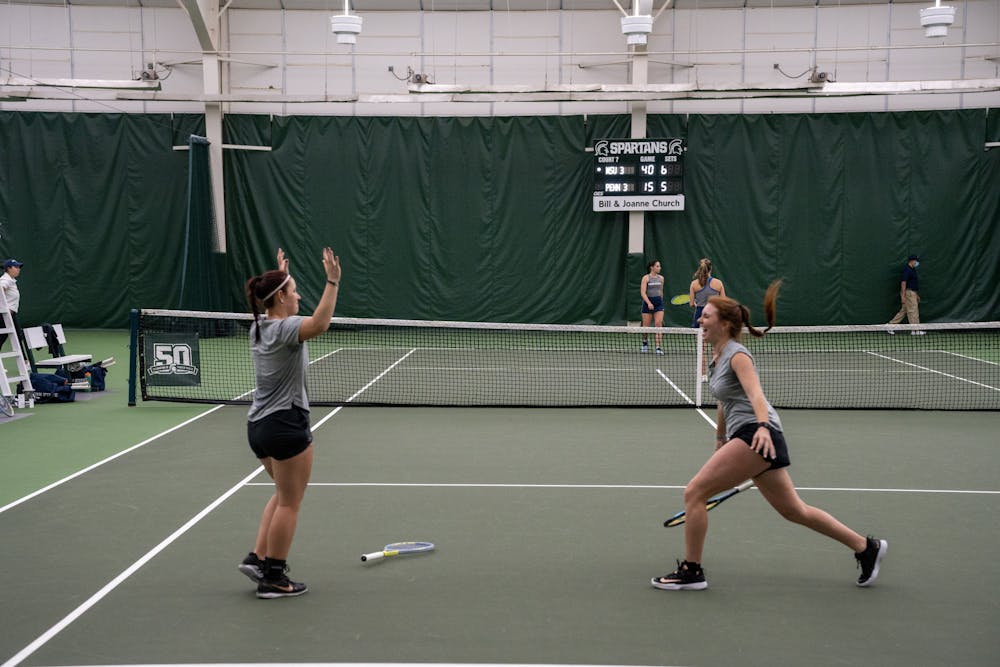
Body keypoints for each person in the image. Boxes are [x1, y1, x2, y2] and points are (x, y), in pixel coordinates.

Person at [651, 281, 887, 591]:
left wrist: (761, 427)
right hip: (751, 436)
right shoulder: (718, 355)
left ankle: (692, 571)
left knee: (694, 493)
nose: (699, 321)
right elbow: (727, 400)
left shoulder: (738, 356)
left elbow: (756, 395)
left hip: (757, 435)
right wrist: (720, 438)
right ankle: (866, 547)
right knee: (794, 510)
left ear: (724, 323)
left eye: (706, 316)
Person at [238, 246, 341, 599]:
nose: (298, 295)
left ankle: (258, 557)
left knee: (283, 495)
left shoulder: (260, 326)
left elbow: (276, 300)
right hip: (285, 425)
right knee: (289, 503)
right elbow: (321, 323)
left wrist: (280, 274)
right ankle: (274, 577)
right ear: (280, 297)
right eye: (293, 290)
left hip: (259, 428)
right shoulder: (285, 329)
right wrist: (332, 281)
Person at [887, 254, 923, 335]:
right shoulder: (906, 270)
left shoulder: (913, 269)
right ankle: (915, 330)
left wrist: (916, 295)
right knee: (913, 311)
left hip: (912, 292)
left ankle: (890, 326)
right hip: (909, 293)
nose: (917, 263)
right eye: (916, 261)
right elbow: (903, 283)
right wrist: (902, 296)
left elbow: (913, 283)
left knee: (904, 311)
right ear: (912, 261)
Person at [0, 259, 27, 356]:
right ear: (8, 268)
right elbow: (0, 288)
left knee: (18, 336)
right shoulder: (5, 280)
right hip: (4, 315)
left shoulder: (11, 280)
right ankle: (25, 361)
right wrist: (4, 308)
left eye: (19, 267)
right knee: (2, 337)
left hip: (10, 314)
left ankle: (25, 360)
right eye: (16, 267)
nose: (18, 269)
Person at [688, 258, 725, 328]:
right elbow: (723, 302)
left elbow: (691, 304)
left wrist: (697, 305)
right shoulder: (718, 283)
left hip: (699, 314)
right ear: (711, 268)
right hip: (714, 314)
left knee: (700, 337)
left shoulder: (694, 284)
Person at [640, 260, 665, 354]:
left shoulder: (661, 278)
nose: (659, 268)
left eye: (659, 266)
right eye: (657, 266)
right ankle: (645, 342)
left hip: (658, 303)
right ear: (652, 267)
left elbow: (661, 291)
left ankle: (658, 347)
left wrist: (660, 302)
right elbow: (642, 292)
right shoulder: (646, 278)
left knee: (658, 324)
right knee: (645, 328)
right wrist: (649, 303)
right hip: (647, 303)